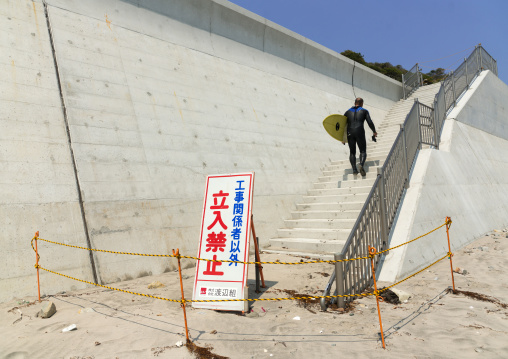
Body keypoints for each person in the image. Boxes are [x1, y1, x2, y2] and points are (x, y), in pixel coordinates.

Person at [343, 98, 377, 176]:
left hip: (350, 132)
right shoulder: (364, 111)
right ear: (361, 103)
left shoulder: (347, 112)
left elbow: (343, 125)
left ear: (355, 103)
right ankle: (361, 164)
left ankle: (354, 169)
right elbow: (369, 122)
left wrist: (343, 138)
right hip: (359, 131)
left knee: (352, 152)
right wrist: (374, 131)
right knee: (362, 151)